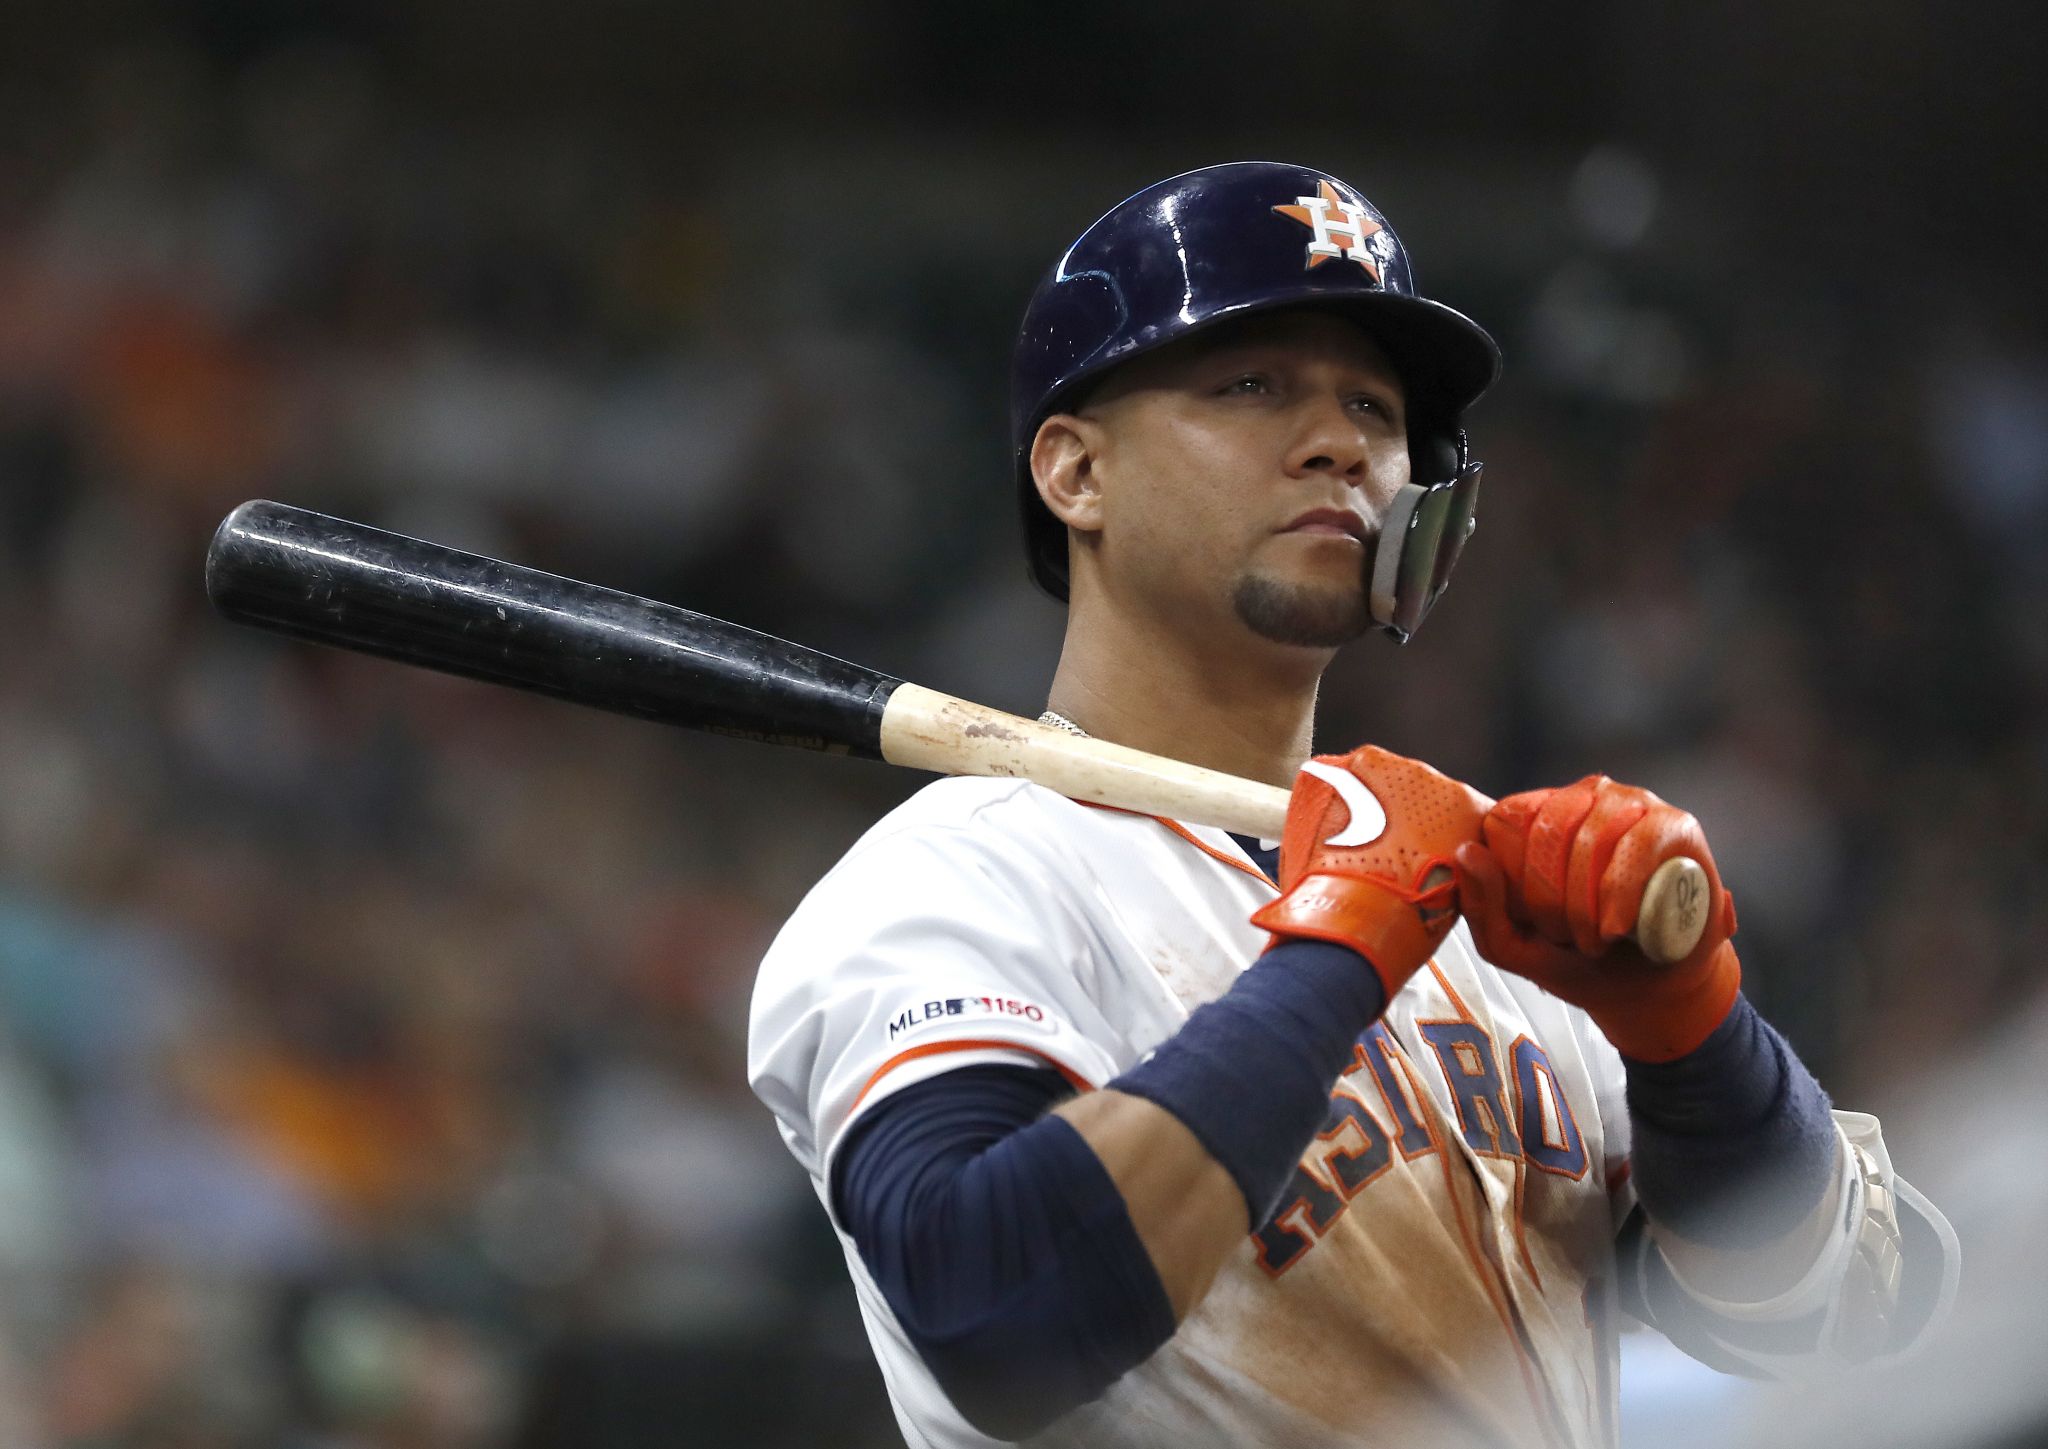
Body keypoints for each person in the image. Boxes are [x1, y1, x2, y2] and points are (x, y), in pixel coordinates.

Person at [747, 162, 1957, 1449]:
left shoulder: (1481, 894)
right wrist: (1342, 946)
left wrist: (1691, 1034)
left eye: (1372, 408)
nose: (1339, 442)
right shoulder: (949, 884)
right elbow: (997, 1308)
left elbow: (1840, 1311)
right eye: (1250, 384)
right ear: (1073, 471)